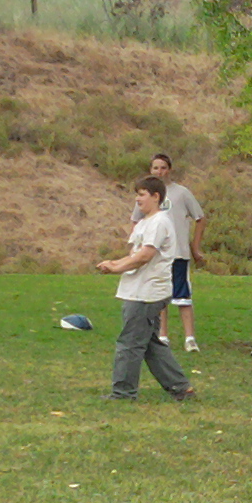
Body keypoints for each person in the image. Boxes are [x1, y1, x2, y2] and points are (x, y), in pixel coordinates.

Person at [96, 175, 195, 402]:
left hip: (146, 294)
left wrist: (116, 269)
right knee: (151, 344)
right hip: (136, 290)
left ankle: (123, 392)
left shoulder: (160, 222)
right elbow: (135, 254)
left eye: (142, 194)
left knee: (130, 343)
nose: (137, 199)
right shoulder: (144, 223)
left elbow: (145, 256)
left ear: (156, 196)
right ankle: (181, 387)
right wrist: (114, 263)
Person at [129, 153, 207, 351]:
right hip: (155, 254)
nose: (159, 172)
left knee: (182, 296)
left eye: (163, 168)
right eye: (155, 168)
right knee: (160, 295)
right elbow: (136, 220)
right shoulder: (147, 195)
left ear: (169, 170)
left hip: (178, 253)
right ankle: (162, 335)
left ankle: (190, 338)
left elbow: (200, 218)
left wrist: (195, 247)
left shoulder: (181, 193)